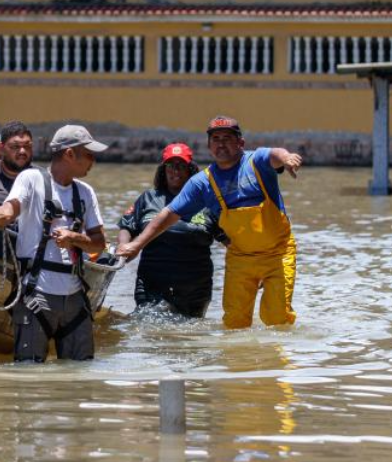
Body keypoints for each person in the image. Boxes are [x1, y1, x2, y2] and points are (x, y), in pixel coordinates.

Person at [117, 116, 302, 330]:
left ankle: (278, 361)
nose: (221, 143)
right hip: (240, 258)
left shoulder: (256, 162)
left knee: (276, 317)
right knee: (234, 324)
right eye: (216, 139)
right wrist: (136, 245)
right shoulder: (202, 183)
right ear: (209, 146)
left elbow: (275, 154)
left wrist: (287, 157)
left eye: (227, 138)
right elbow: (168, 214)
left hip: (277, 254)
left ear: (240, 143)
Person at [0, 124, 107, 363]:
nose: (93, 161)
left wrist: (74, 238)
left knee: (81, 373)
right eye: (88, 154)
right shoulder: (31, 179)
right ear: (70, 154)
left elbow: (99, 244)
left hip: (75, 299)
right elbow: (5, 215)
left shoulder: (85, 192)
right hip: (37, 296)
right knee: (28, 374)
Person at [118, 143, 228, 318]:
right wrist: (123, 247)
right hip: (151, 283)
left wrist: (252, 264)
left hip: (195, 289)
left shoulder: (207, 202)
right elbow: (127, 226)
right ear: (163, 170)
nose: (176, 171)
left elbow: (229, 240)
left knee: (187, 338)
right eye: (171, 166)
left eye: (181, 166)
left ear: (190, 170)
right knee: (149, 329)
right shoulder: (148, 198)